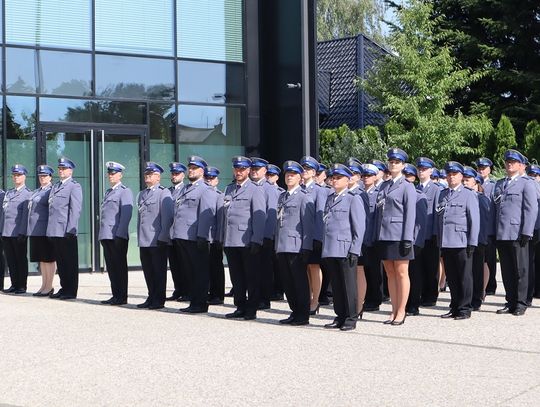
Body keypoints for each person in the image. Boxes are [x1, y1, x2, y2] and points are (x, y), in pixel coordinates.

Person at [374, 148, 416, 325]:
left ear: (403, 165)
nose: (393, 164)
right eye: (391, 162)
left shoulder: (407, 186)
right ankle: (393, 309)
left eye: (397, 162)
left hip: (399, 235)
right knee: (390, 273)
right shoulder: (384, 185)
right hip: (385, 235)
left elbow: (410, 214)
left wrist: (407, 238)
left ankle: (401, 311)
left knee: (401, 273)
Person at [321, 164, 365, 331]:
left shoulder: (353, 198)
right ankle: (339, 315)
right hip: (331, 248)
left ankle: (351, 317)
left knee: (348, 285)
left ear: (347, 180)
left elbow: (358, 227)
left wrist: (355, 249)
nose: (335, 180)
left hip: (345, 249)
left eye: (339, 178)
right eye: (333, 177)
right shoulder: (330, 198)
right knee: (337, 285)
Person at [494, 150, 538, 316]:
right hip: (502, 233)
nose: (509, 164)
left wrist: (527, 231)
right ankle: (510, 301)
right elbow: (496, 210)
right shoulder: (500, 184)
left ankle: (520, 302)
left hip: (518, 233)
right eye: (507, 161)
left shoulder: (527, 183)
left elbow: (531, 209)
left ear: (521, 165)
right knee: (507, 270)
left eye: (513, 162)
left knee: (521, 270)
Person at [223, 156, 266, 320]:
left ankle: (251, 308)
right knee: (236, 276)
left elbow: (259, 217)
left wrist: (257, 239)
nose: (238, 172)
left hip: (246, 240)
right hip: (231, 239)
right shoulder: (229, 189)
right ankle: (240, 306)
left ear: (248, 170)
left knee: (251, 276)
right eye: (236, 169)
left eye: (242, 169)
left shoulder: (255, 189)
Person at [436, 162, 480, 320]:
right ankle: (454, 306)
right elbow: (439, 220)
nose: (451, 176)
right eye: (448, 174)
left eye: (454, 174)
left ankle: (464, 308)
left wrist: (472, 242)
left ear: (461, 176)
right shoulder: (442, 194)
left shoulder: (468, 194)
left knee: (464, 276)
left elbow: (474, 220)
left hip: (462, 241)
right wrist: (439, 241)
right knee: (452, 277)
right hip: (447, 241)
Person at [171, 156, 214, 314]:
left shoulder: (205, 189)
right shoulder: (185, 189)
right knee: (188, 270)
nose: (191, 170)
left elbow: (206, 214)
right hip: (182, 235)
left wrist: (203, 235)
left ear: (201, 171)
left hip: (195, 236)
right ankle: (193, 300)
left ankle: (200, 303)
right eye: (190, 168)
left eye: (194, 168)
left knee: (199, 271)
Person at [275, 160, 314, 325]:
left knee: (299, 281)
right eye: (287, 174)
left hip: (296, 245)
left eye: (293, 174)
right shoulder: (282, 196)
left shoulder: (304, 197)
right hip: (282, 244)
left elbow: (308, 225)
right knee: (287, 281)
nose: (289, 177)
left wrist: (306, 247)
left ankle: (303, 314)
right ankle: (294, 311)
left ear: (300, 178)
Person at [136, 162, 174, 310]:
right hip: (144, 240)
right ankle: (151, 296)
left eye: (150, 175)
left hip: (157, 239)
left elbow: (167, 217)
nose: (147, 177)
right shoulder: (142, 194)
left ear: (158, 177)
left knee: (158, 271)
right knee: (148, 271)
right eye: (146, 174)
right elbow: (141, 218)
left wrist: (163, 237)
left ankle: (158, 299)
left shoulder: (163, 193)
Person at [47, 158, 83, 300]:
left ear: (70, 170)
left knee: (70, 262)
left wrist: (71, 229)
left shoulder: (74, 186)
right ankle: (64, 287)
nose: (61, 171)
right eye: (60, 168)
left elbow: (75, 210)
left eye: (64, 168)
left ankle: (71, 290)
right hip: (55, 230)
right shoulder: (55, 186)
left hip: (66, 230)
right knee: (61, 262)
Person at [98, 161, 133, 306]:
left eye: (113, 173)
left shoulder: (124, 191)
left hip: (117, 235)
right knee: (112, 267)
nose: (110, 176)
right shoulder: (108, 192)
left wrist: (120, 234)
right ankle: (115, 295)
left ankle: (122, 296)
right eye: (109, 173)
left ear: (120, 175)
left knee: (119, 267)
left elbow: (126, 215)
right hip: (106, 234)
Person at [300, 156, 330, 313]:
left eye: (308, 169)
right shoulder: (298, 189)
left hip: (312, 236)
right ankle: (306, 297)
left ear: (313, 172)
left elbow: (320, 216)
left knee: (313, 266)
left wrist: (318, 237)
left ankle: (315, 300)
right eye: (303, 169)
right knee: (303, 268)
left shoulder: (319, 191)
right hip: (299, 237)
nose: (304, 172)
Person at [249, 157, 280, 310]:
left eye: (257, 169)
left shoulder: (269, 188)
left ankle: (264, 298)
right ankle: (254, 296)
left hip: (264, 237)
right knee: (253, 269)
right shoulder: (248, 187)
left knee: (264, 269)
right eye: (252, 169)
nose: (254, 172)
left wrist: (267, 236)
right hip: (250, 236)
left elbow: (271, 214)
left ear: (264, 171)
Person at [462, 167, 493, 311]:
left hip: (478, 240)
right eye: (464, 180)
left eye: (467, 181)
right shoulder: (464, 196)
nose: (465, 183)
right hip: (464, 239)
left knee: (476, 271)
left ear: (476, 183)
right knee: (466, 271)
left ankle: (477, 298)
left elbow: (483, 222)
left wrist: (479, 241)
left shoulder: (481, 199)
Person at [413, 157, 442, 307]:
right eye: (420, 169)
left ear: (431, 171)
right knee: (417, 268)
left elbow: (438, 213)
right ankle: (418, 294)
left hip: (430, 235)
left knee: (431, 267)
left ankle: (430, 296)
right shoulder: (414, 189)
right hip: (416, 236)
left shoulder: (437, 189)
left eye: (424, 169)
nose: (421, 171)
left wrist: (437, 234)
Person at [402, 164, 428, 316]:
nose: (406, 178)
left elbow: (420, 223)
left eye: (409, 176)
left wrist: (416, 242)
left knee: (414, 273)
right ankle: (404, 303)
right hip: (402, 240)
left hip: (413, 241)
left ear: (413, 178)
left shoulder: (419, 196)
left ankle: (413, 304)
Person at [1, 164, 31, 294]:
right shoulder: (9, 193)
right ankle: (14, 284)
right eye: (14, 175)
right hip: (6, 232)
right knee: (11, 260)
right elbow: (4, 213)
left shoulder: (27, 194)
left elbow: (26, 216)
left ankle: (21, 285)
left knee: (20, 259)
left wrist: (23, 232)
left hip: (18, 232)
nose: (16, 177)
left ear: (24, 176)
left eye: (18, 175)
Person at [28, 165, 56, 297]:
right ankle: (44, 285)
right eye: (40, 176)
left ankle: (49, 286)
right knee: (42, 260)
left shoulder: (51, 190)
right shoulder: (38, 191)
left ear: (50, 177)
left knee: (49, 259)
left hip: (45, 229)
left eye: (45, 176)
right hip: (36, 230)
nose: (42, 178)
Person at [346, 158, 369, 317]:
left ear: (359, 177)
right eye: (349, 173)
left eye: (354, 173)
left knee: (359, 271)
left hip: (358, 240)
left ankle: (359, 304)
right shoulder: (342, 193)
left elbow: (363, 220)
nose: (351, 176)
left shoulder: (360, 194)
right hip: (344, 241)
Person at [361, 163, 385, 312]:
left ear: (375, 177)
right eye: (364, 176)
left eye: (369, 175)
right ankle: (366, 297)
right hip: (362, 237)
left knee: (375, 271)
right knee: (364, 270)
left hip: (373, 237)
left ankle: (375, 299)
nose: (365, 178)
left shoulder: (379, 193)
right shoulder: (359, 193)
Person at [475, 157, 497, 295]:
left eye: (484, 168)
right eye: (479, 168)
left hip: (489, 227)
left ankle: (491, 285)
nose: (481, 170)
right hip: (477, 227)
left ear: (489, 169)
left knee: (490, 258)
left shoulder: (493, 186)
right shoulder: (473, 184)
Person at [166, 162, 188, 302]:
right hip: (170, 232)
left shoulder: (186, 190)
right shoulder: (168, 191)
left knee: (184, 263)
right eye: (173, 174)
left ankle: (188, 291)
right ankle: (178, 289)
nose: (174, 176)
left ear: (183, 175)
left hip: (182, 232)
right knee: (174, 264)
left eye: (177, 173)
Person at [205, 166, 225, 305]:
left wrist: (219, 238)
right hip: (203, 236)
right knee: (205, 267)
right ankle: (209, 292)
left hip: (214, 237)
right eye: (207, 178)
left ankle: (218, 294)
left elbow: (220, 219)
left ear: (217, 180)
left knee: (216, 267)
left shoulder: (219, 195)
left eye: (212, 178)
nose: (209, 180)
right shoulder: (203, 194)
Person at [526, 164, 540, 299]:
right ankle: (531, 291)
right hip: (531, 229)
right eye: (530, 175)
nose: (533, 178)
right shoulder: (528, 188)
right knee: (529, 261)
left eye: (535, 175)